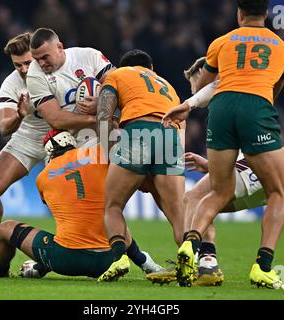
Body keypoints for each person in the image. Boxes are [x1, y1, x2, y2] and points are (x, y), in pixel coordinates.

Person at [163, 0, 284, 289]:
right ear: (267, 13)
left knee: (218, 191)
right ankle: (264, 266)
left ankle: (190, 245)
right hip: (256, 106)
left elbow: (207, 85)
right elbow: (274, 90)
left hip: (220, 110)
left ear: (239, 13)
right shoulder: (283, 49)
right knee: (279, 192)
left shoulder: (222, 42)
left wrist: (190, 101)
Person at [0, 130, 162, 279]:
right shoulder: (98, 154)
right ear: (72, 144)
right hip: (108, 259)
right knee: (112, 216)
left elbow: (62, 205)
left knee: (5, 228)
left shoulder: (43, 177)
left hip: (67, 260)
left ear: (48, 154)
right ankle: (145, 262)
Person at [96, 49, 186, 282]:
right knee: (177, 211)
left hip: (138, 131)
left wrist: (110, 153)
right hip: (170, 137)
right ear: (151, 69)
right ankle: (190, 258)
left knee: (112, 207)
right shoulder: (168, 87)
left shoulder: (117, 75)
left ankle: (119, 259)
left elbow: (104, 115)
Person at [0, 33, 51, 261]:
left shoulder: (56, 71)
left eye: (27, 62)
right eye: (18, 65)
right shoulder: (11, 83)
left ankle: (70, 249)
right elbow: (5, 127)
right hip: (28, 136)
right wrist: (19, 115)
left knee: (61, 197)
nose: (23, 69)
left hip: (61, 136)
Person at [26, 28, 116, 145]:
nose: (41, 63)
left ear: (59, 47)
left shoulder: (88, 55)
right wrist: (98, 116)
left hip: (109, 131)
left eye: (45, 57)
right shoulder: (34, 74)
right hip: (76, 142)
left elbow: (117, 83)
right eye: (37, 59)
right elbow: (55, 119)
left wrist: (102, 101)